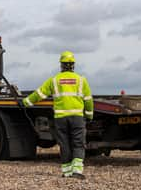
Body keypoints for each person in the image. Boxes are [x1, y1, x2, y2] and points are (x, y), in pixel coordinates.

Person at [22, 51, 93, 179]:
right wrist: (89, 116)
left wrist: (26, 102)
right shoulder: (81, 80)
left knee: (64, 144)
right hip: (77, 118)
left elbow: (40, 94)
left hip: (60, 119)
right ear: (73, 65)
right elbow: (88, 100)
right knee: (78, 143)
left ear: (61, 65)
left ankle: (66, 172)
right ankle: (77, 171)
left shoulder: (54, 81)